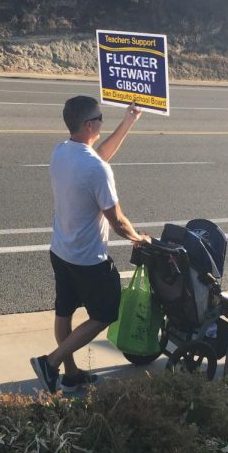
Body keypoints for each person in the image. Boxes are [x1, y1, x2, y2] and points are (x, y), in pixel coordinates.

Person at [30, 96, 150, 393]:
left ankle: (70, 375)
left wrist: (128, 122)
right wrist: (138, 238)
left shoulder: (61, 152)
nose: (101, 121)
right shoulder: (97, 170)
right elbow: (117, 220)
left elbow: (98, 157)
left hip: (61, 251)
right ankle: (51, 363)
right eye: (100, 118)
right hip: (89, 259)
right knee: (105, 314)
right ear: (89, 124)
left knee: (65, 311)